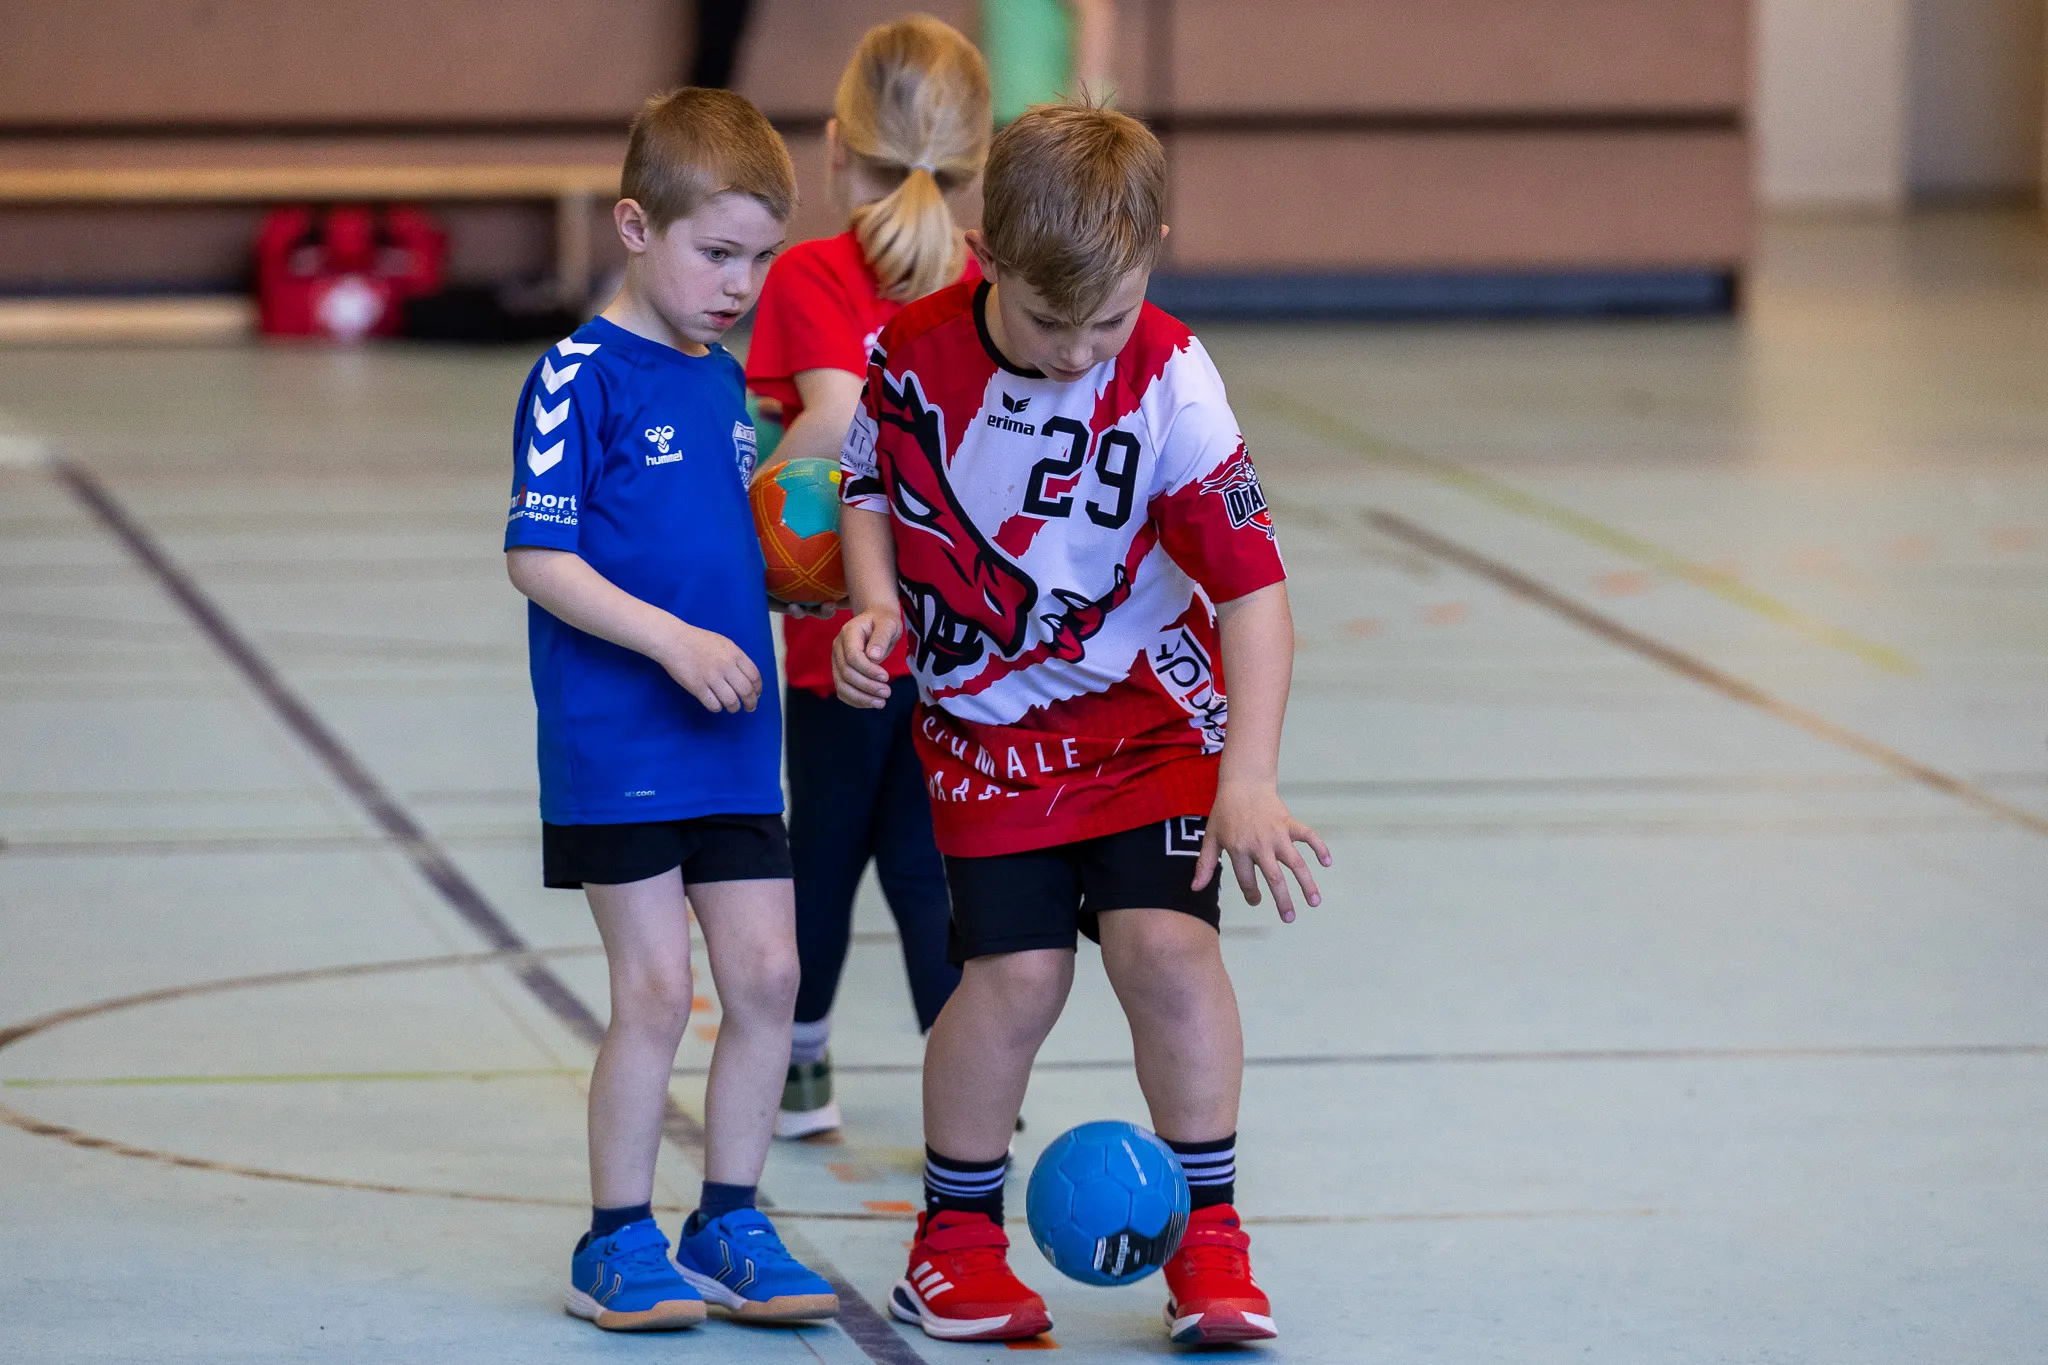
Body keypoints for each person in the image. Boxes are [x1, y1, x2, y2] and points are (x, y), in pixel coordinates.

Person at [832, 101, 1331, 1345]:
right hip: (988, 741)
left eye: (1102, 320)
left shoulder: (1169, 375)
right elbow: (864, 484)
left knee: (1165, 953)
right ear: (983, 255)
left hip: (1153, 729)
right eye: (1047, 322)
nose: (1074, 354)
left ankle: (1209, 1241)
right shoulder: (908, 358)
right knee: (1015, 980)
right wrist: (876, 608)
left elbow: (1255, 596)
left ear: (1151, 253)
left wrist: (1250, 776)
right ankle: (951, 1242)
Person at [503, 86, 838, 1332]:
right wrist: (673, 641)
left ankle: (730, 1217)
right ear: (634, 227)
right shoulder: (573, 378)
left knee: (767, 976)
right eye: (717, 254)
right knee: (653, 990)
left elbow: (729, 542)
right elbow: (540, 558)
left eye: (758, 259)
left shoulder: (722, 381)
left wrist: (800, 605)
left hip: (736, 740)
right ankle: (615, 1238)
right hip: (620, 740)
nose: (739, 283)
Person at [745, 15, 991, 1141]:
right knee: (929, 862)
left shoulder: (812, 274)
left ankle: (799, 1062)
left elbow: (835, 414)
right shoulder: (991, 284)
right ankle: (973, 1079)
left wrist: (744, 519)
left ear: (836, 145)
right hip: (966, 637)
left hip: (840, 632)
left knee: (825, 850)